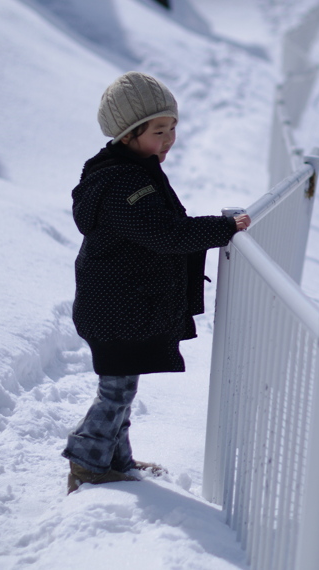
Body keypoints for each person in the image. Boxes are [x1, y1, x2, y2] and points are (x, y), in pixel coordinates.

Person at [63, 71, 250, 494]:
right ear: (128, 135)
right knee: (115, 392)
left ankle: (118, 460)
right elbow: (166, 233)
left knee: (122, 388)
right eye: (159, 131)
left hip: (117, 306)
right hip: (115, 308)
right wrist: (222, 228)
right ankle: (88, 462)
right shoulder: (124, 183)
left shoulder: (128, 170)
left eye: (173, 129)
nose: (169, 139)